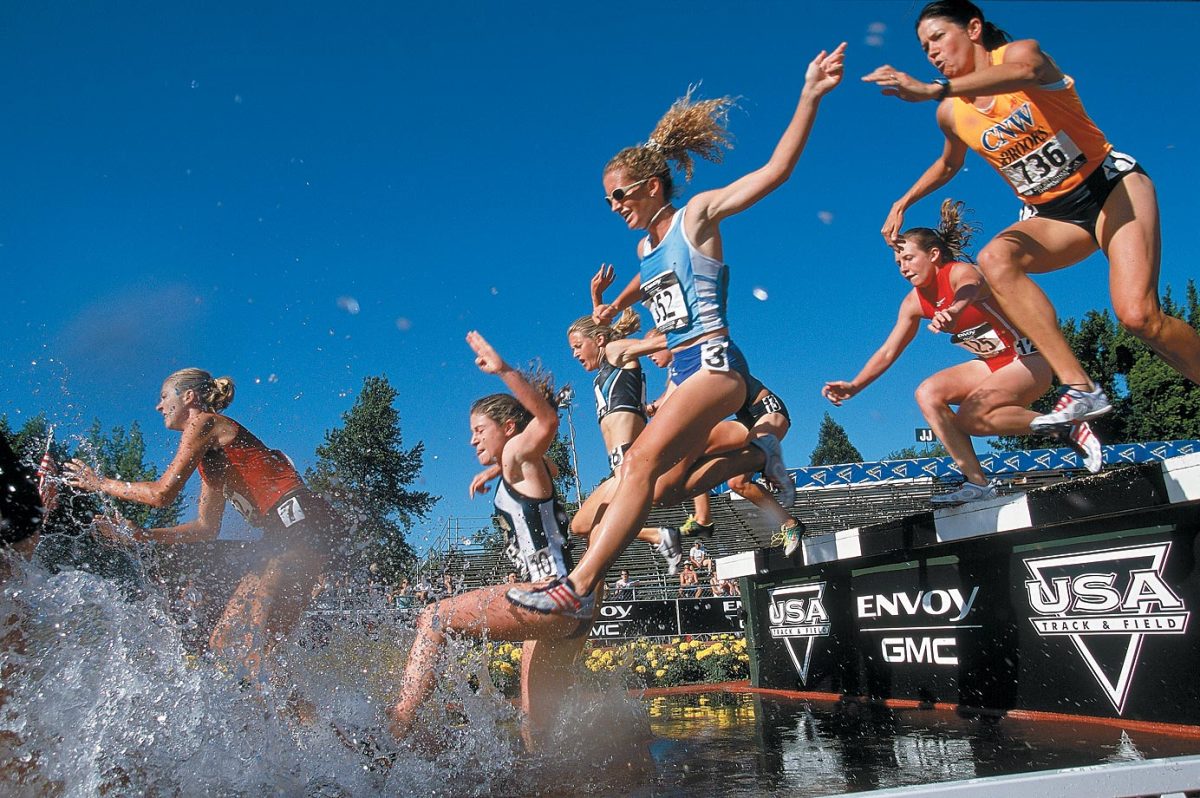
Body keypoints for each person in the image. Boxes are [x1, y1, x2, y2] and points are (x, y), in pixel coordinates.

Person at [509, 48, 847, 620]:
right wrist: (612, 304)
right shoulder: (644, 249)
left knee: (637, 464)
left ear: (651, 185)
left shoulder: (697, 217)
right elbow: (653, 286)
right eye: (608, 199)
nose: (614, 206)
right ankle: (758, 451)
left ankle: (580, 584)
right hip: (687, 373)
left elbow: (776, 172)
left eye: (620, 194)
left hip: (715, 365)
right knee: (663, 487)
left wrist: (811, 94)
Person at [864, 0, 1200, 432]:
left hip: (1109, 188)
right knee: (995, 258)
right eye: (924, 48)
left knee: (1139, 317)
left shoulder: (1020, 54)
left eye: (938, 38)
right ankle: (1080, 388)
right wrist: (902, 201)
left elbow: (1028, 73)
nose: (931, 53)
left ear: (972, 28)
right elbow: (949, 164)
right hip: (1054, 215)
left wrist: (933, 89)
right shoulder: (952, 112)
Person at [63, 368, 342, 682]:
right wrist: (142, 535)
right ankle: (301, 727)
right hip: (284, 536)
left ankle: (312, 729)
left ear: (189, 397)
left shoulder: (204, 422)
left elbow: (162, 494)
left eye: (164, 397)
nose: (158, 407)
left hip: (301, 526)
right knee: (225, 642)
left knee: (253, 649)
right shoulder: (212, 456)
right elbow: (205, 527)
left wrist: (100, 483)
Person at [388, 332, 598, 746]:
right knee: (535, 725)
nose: (472, 439)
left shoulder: (521, 454)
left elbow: (548, 423)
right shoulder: (524, 464)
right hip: (573, 605)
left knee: (434, 618)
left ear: (508, 427)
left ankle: (393, 734)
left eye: (479, 430)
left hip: (549, 594)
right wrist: (497, 469)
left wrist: (503, 370)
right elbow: (549, 466)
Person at [823, 200, 1101, 505]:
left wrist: (955, 309)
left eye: (908, 258)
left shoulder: (959, 273)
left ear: (933, 255)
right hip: (993, 364)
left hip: (1028, 360)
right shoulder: (914, 303)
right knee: (927, 393)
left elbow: (971, 285)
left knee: (970, 418)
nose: (903, 268)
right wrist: (855, 385)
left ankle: (1066, 425)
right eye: (898, 263)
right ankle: (978, 482)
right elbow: (889, 351)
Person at [649, 346, 808, 555]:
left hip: (768, 410)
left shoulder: (694, 360)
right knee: (693, 447)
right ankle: (703, 519)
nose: (650, 356)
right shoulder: (676, 373)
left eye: (653, 350)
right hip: (744, 419)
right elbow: (666, 402)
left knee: (738, 481)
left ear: (669, 347)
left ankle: (787, 515)